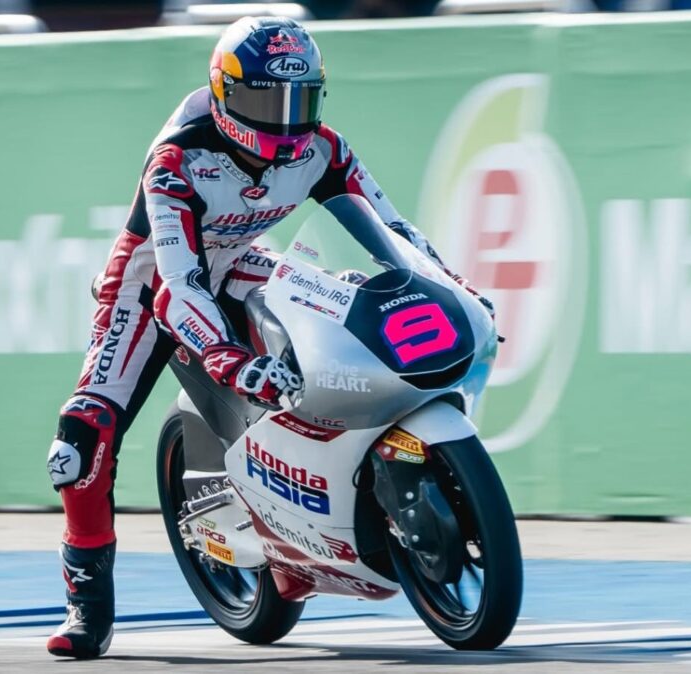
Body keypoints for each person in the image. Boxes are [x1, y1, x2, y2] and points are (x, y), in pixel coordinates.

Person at [44, 15, 491, 659]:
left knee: (334, 315)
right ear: (225, 94)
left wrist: (450, 283)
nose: (283, 122)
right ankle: (87, 605)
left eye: (299, 102)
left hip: (243, 261)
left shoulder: (325, 149)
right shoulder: (178, 163)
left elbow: (395, 233)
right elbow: (180, 286)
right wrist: (229, 360)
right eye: (264, 102)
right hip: (151, 286)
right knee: (80, 440)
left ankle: (300, 527)